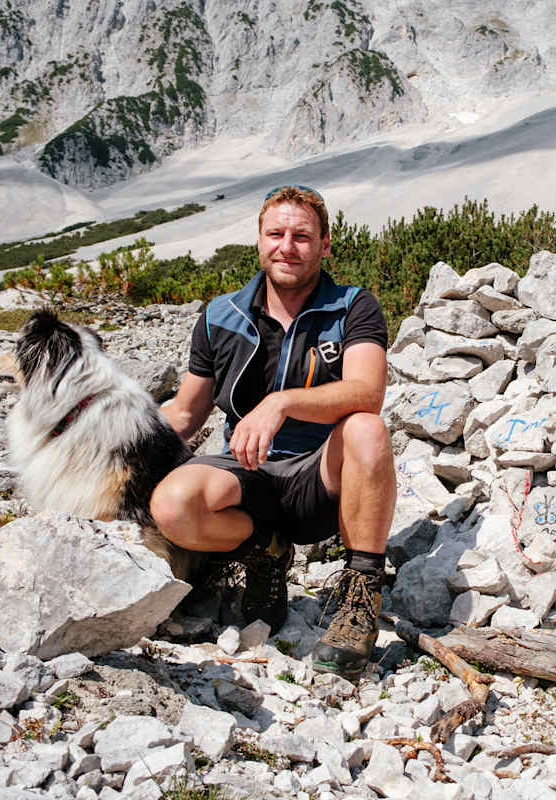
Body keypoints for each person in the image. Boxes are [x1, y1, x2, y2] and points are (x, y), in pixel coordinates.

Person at [150, 185, 396, 678]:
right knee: (173, 505)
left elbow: (368, 393)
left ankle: (359, 597)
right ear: (259, 240)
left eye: (302, 236)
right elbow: (186, 416)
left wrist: (281, 403)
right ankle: (266, 553)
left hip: (318, 477)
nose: (287, 247)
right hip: (245, 471)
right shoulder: (221, 315)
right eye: (276, 234)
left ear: (325, 245)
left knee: (367, 429)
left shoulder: (353, 306)